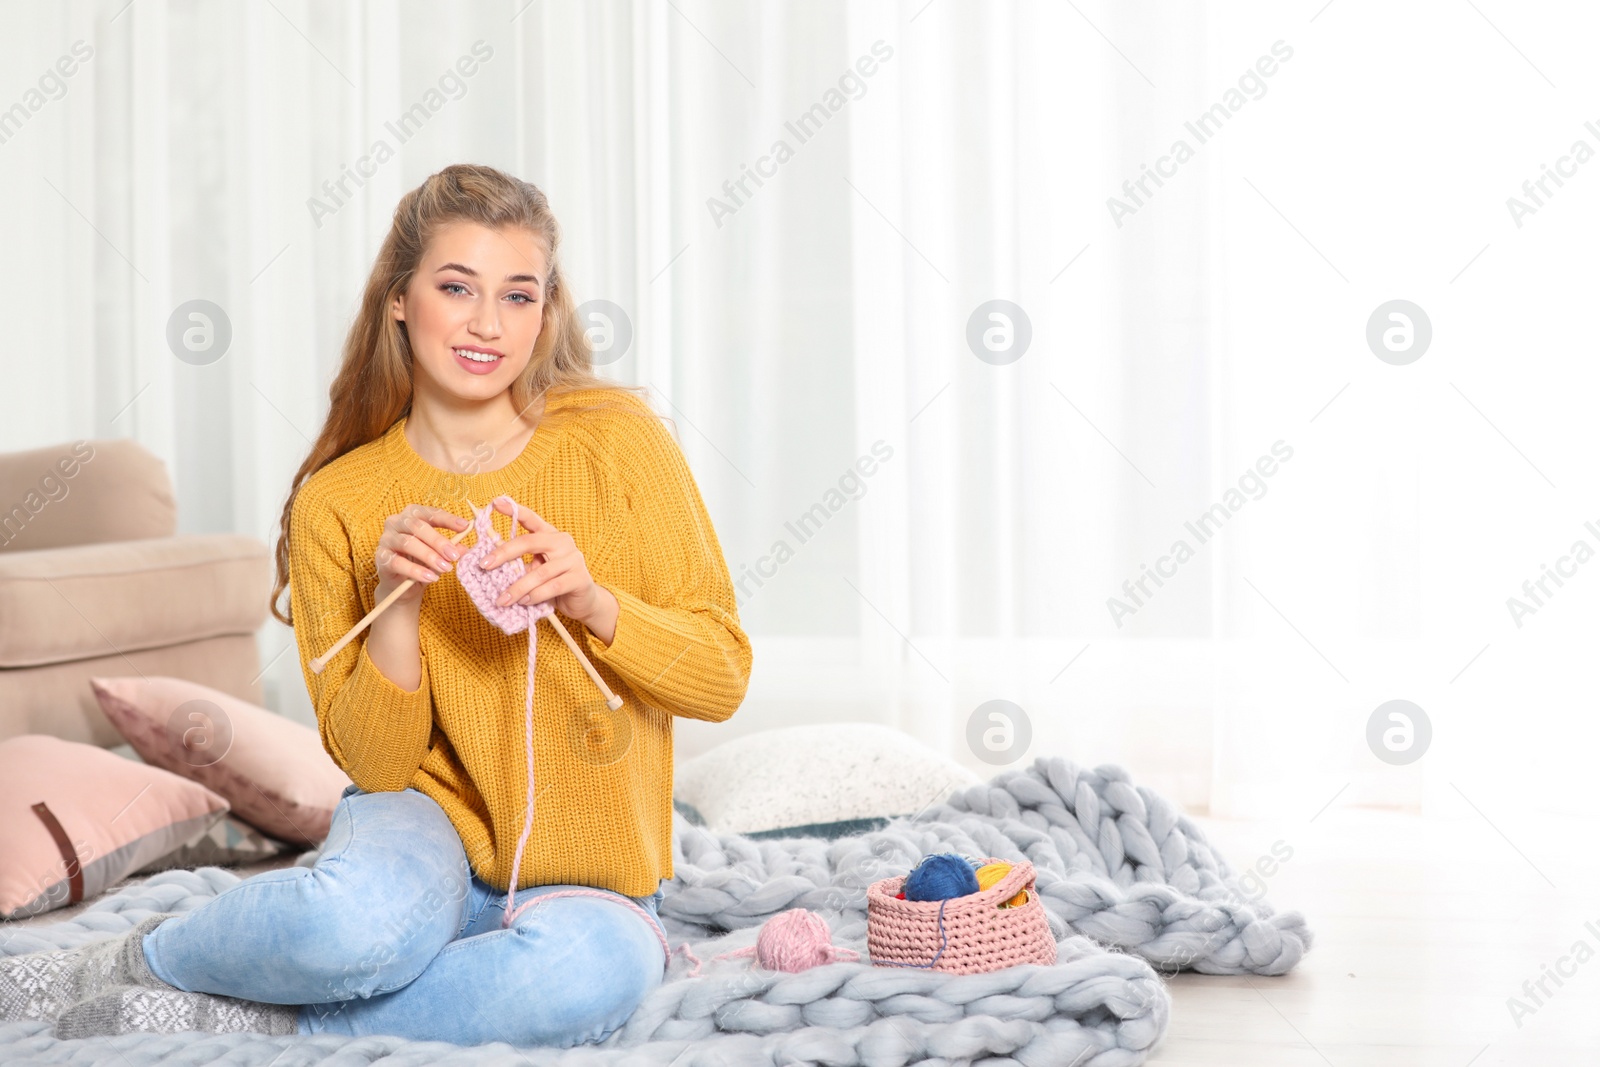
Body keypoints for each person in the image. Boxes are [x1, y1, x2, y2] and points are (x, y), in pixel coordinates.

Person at [1, 163, 753, 1048]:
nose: (486, 323)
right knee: (350, 926)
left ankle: (255, 1018)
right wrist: (397, 605)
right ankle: (147, 959)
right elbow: (377, 763)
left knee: (573, 982)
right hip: (420, 825)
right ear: (400, 300)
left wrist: (594, 601)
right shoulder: (340, 502)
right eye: (456, 287)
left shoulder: (619, 440)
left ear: (547, 312)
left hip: (594, 876)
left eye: (518, 295)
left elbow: (721, 676)